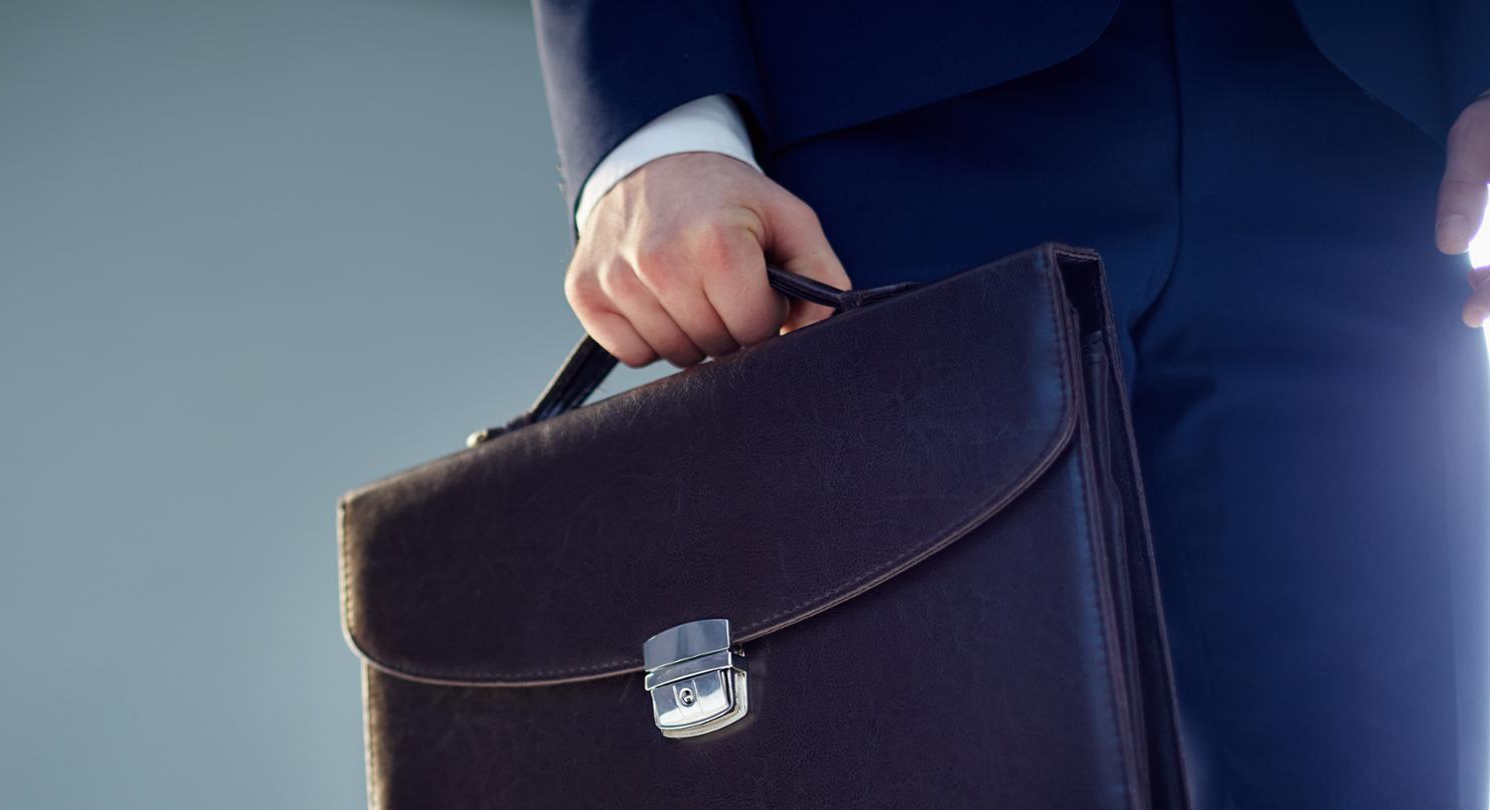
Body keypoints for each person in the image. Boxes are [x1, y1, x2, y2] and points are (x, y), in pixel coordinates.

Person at [530, 0, 1490, 807]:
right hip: (882, 105)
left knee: (1376, 764)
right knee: (928, 751)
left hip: (1360, 118)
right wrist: (653, 122)